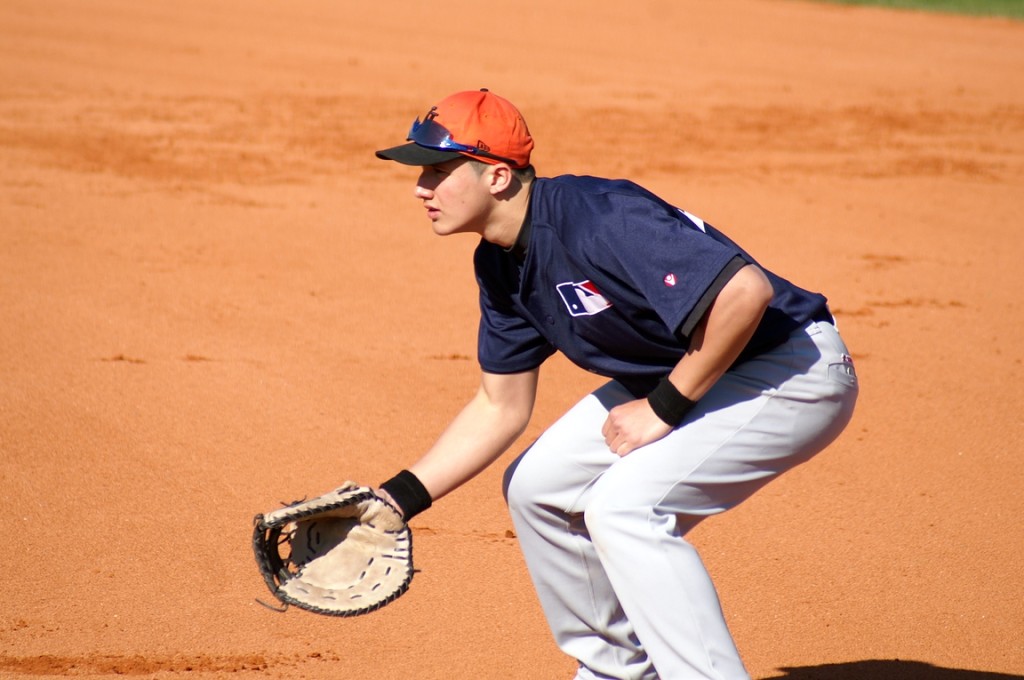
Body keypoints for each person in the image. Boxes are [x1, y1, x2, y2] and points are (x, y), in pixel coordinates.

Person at [374, 89, 858, 680]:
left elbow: (744, 293)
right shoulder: (499, 262)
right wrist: (396, 500)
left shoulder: (597, 217)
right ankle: (616, 671)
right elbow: (499, 406)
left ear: (496, 176)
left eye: (437, 171)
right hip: (693, 370)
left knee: (625, 509)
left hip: (788, 368)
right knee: (537, 489)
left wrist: (664, 407)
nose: (420, 188)